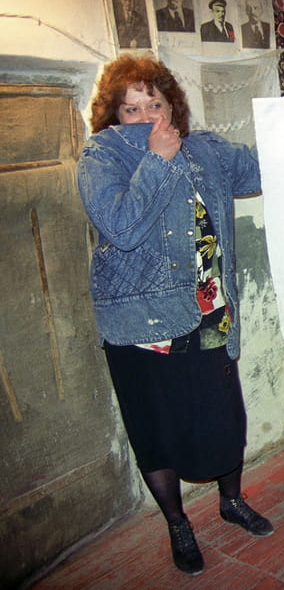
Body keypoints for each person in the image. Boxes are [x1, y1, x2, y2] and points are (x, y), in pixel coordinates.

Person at [77, 54, 272, 576]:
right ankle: (178, 524)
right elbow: (120, 227)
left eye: (153, 104)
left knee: (225, 419)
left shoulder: (205, 149)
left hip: (209, 313)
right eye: (130, 108)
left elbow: (262, 166)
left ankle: (231, 502)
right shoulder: (102, 157)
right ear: (114, 116)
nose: (144, 117)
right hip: (139, 327)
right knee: (155, 430)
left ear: (171, 106)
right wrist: (158, 162)